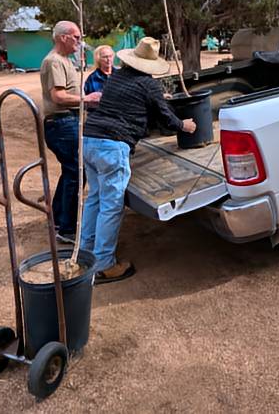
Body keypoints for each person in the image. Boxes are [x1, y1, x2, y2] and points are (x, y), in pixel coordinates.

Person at [80, 37, 195, 284]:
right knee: (111, 205)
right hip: (113, 145)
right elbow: (165, 117)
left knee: (95, 200)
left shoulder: (118, 77)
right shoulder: (147, 84)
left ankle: (84, 255)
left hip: (89, 139)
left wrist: (155, 97)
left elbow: (130, 99)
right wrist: (183, 125)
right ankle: (104, 265)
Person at [39, 21, 100, 239]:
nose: (79, 41)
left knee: (70, 171)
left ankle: (58, 219)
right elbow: (58, 96)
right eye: (76, 37)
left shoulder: (65, 60)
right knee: (77, 171)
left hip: (67, 122)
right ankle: (67, 230)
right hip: (62, 123)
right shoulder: (54, 61)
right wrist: (87, 99)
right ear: (63, 37)